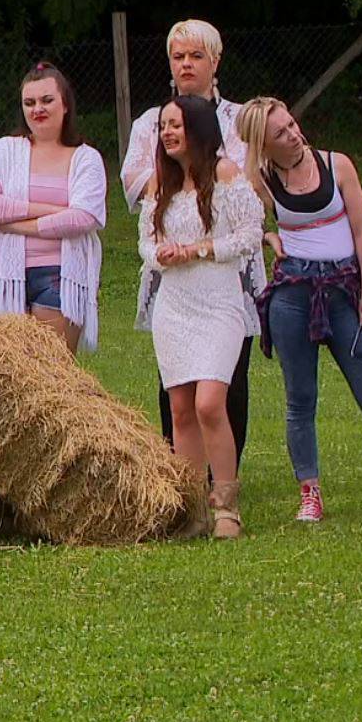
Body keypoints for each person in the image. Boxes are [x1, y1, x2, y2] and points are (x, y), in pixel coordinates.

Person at [238, 97, 362, 521]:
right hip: (293, 294)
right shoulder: (258, 180)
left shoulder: (337, 165)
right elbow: (237, 220)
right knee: (300, 399)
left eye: (292, 125)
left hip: (344, 290)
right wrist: (268, 237)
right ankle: (309, 491)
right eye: (280, 133)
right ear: (262, 143)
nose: (294, 135)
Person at [121, 19, 261, 461]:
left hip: (226, 270)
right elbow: (136, 182)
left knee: (227, 378)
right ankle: (182, 474)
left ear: (215, 61)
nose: (186, 64)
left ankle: (225, 471)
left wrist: (201, 178)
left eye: (196, 56)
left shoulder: (238, 119)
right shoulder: (150, 122)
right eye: (178, 56)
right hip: (172, 265)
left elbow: (246, 181)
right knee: (176, 385)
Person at [139, 95, 263, 539]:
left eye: (176, 124)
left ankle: (226, 505)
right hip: (174, 306)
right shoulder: (161, 183)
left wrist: (201, 249)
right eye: (163, 126)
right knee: (180, 408)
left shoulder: (225, 174)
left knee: (211, 402)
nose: (169, 133)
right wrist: (163, 255)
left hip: (218, 302)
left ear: (198, 127)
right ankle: (190, 509)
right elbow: (145, 246)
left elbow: (251, 235)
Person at [0, 62, 106, 354]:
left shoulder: (86, 158)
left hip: (60, 276)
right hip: (7, 278)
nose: (37, 109)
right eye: (29, 103)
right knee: (11, 375)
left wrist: (13, 224)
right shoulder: (5, 149)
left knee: (51, 377)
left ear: (65, 104)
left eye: (47, 100)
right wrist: (51, 209)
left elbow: (83, 218)